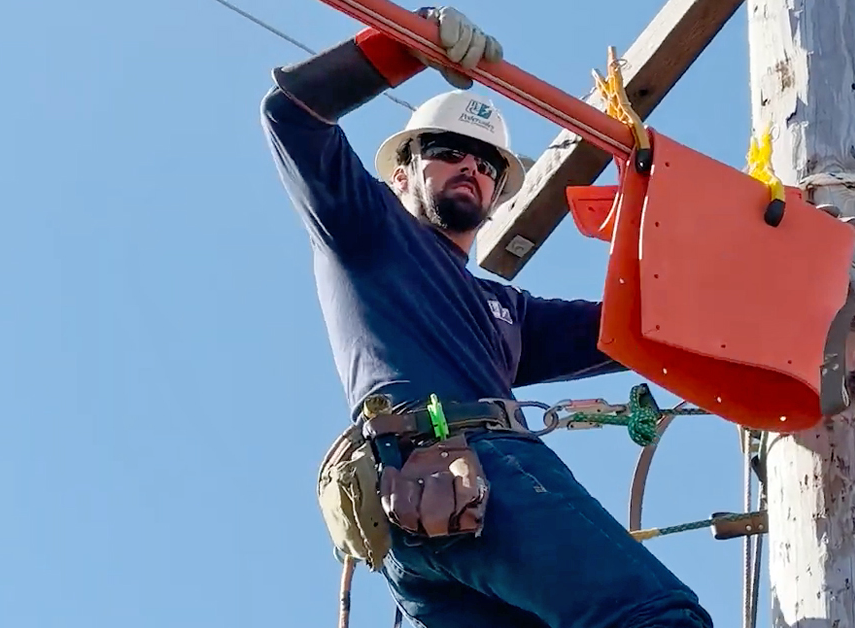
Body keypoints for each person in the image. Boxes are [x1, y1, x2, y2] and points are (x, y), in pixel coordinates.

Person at [259, 6, 714, 628]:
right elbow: (291, 116)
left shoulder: (507, 312)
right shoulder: (368, 231)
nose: (471, 167)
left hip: (430, 525)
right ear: (401, 173)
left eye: (488, 163)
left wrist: (766, 290)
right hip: (455, 466)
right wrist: (404, 47)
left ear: (500, 192)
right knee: (654, 617)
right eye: (448, 152)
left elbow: (639, 326)